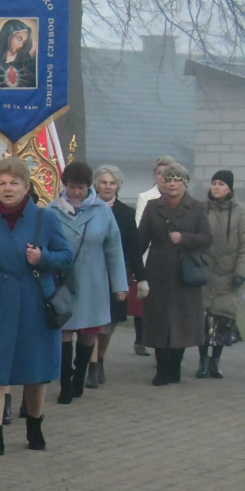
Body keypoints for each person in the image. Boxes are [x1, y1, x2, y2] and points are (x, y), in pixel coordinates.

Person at [0, 157, 72, 456]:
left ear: (26, 186)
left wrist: (43, 258)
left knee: (35, 368)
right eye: (1, 183)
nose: (7, 188)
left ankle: (34, 424)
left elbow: (66, 256)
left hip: (34, 301)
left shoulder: (46, 219)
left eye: (14, 183)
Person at [46, 161, 127, 403]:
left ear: (88, 186)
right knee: (64, 330)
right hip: (62, 282)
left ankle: (79, 378)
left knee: (88, 333)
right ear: (64, 185)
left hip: (94, 282)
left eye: (81, 187)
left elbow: (114, 249)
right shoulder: (51, 211)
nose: (77, 192)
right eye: (72, 187)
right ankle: (64, 383)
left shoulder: (102, 211)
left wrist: (120, 285)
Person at [138, 163, 212, 385]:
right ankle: (162, 369)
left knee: (182, 321)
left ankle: (175, 368)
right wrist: (133, 267)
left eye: (177, 179)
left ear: (185, 183)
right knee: (159, 320)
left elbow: (207, 238)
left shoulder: (198, 208)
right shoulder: (152, 207)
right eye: (168, 179)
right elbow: (141, 240)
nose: (172, 183)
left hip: (185, 271)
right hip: (158, 269)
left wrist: (185, 238)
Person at [88, 165, 144, 387]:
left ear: (118, 186)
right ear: (96, 185)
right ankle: (91, 366)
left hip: (115, 274)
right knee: (92, 320)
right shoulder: (87, 208)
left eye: (112, 183)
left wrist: (141, 277)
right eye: (104, 182)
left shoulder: (126, 213)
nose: (108, 186)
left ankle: (99, 359)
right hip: (91, 272)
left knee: (108, 324)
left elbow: (133, 248)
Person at [197, 170, 245, 379]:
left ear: (229, 188)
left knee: (222, 319)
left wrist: (240, 272)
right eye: (214, 183)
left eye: (221, 184)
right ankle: (202, 360)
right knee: (202, 320)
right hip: (204, 270)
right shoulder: (200, 209)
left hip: (228, 273)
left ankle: (215, 360)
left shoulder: (240, 212)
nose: (216, 187)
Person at [132, 156, 174, 355]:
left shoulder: (180, 198)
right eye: (160, 173)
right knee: (145, 300)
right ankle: (141, 338)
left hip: (172, 258)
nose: (164, 178)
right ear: (154, 175)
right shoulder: (145, 198)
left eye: (168, 174)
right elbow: (141, 228)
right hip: (150, 255)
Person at [0, 18, 36, 89]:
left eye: (24, 42)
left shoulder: (26, 58)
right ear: (8, 35)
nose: (21, 45)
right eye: (19, 39)